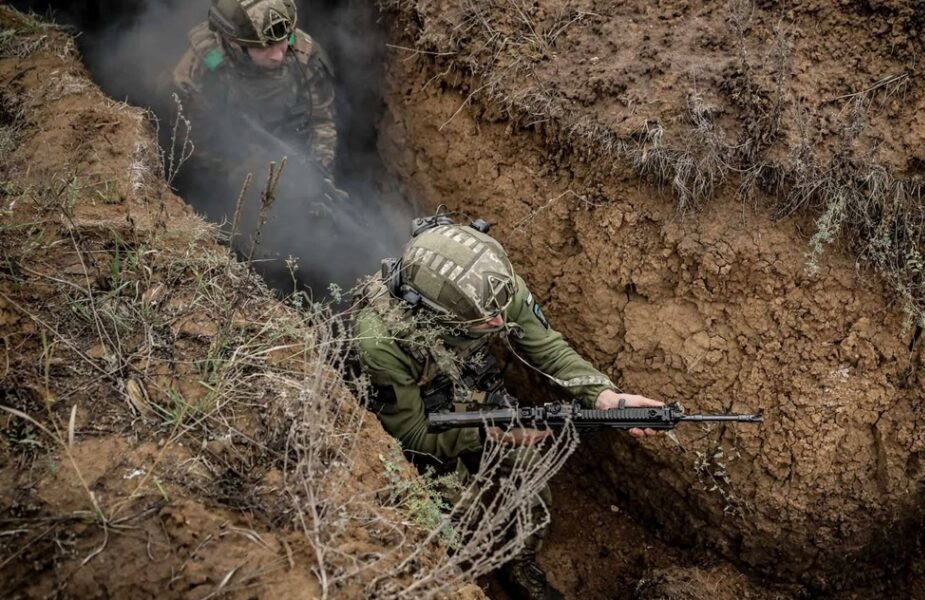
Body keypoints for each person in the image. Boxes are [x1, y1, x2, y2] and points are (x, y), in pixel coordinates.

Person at [354, 216, 663, 600]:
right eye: (487, 321)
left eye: (502, 309)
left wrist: (604, 396)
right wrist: (487, 431)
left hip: (474, 394)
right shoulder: (379, 340)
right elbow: (410, 435)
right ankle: (472, 575)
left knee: (530, 474)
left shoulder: (493, 288)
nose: (502, 320)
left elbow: (546, 347)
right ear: (436, 314)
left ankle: (520, 564)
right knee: (460, 514)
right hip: (424, 423)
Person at [171, 0, 337, 178]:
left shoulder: (304, 55)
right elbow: (191, 144)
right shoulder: (202, 67)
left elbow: (322, 123)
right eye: (264, 47)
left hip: (290, 155)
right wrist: (237, 172)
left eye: (282, 41)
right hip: (226, 162)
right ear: (234, 42)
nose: (278, 55)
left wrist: (319, 170)